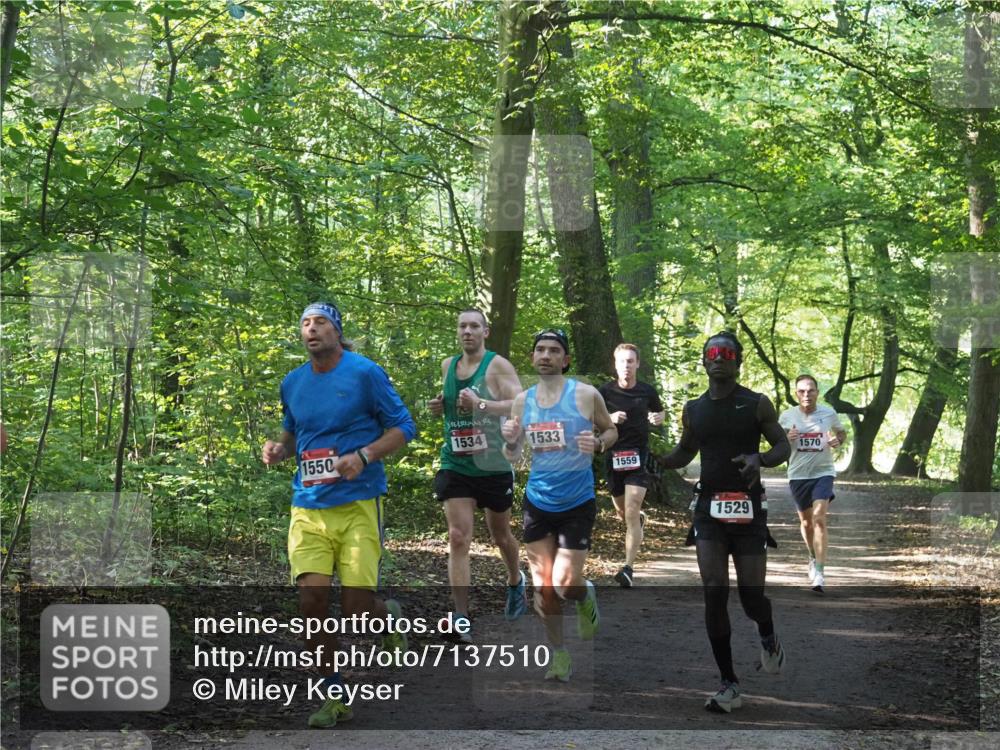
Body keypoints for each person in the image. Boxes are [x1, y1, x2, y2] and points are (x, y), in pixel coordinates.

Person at [262, 302, 416, 729]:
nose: (311, 329)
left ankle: (388, 616)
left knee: (357, 609)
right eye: (305, 323)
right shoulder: (292, 383)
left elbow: (404, 426)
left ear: (337, 329)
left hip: (358, 504)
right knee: (311, 601)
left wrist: (364, 456)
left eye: (320, 322)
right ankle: (334, 694)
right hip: (308, 507)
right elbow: (294, 432)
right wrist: (280, 449)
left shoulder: (365, 372)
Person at [659, 332, 791, 713]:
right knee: (714, 589)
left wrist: (760, 460)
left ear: (738, 361)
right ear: (704, 361)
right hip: (708, 509)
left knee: (752, 598)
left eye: (726, 352)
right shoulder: (694, 409)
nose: (719, 358)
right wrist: (662, 462)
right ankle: (729, 682)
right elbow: (685, 450)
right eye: (712, 353)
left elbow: (782, 445)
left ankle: (767, 634)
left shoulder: (756, 404)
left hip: (749, 509)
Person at [501, 328, 617, 682]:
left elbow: (611, 430)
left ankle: (585, 595)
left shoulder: (585, 395)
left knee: (566, 583)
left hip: (577, 500)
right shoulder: (523, 401)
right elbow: (514, 453)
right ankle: (559, 655)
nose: (546, 355)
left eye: (554, 350)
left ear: (565, 360)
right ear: (533, 358)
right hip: (538, 501)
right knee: (544, 588)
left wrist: (597, 443)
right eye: (540, 350)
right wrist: (508, 442)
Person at [427, 309, 527, 643]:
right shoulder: (447, 367)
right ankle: (460, 617)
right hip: (456, 463)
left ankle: (515, 580)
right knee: (458, 536)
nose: (467, 331)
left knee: (500, 534)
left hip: (493, 464)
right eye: (462, 326)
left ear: (485, 331)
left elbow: (521, 404)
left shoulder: (497, 366)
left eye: (474, 326)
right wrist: (441, 405)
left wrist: (482, 404)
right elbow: (452, 404)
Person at [598, 343, 665, 588]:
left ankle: (628, 568)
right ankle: (638, 519)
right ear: (615, 364)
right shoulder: (604, 392)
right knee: (624, 513)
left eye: (630, 361)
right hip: (613, 456)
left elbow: (660, 414)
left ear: (637, 364)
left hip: (638, 457)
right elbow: (590, 421)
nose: (626, 366)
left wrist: (658, 418)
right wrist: (609, 419)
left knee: (632, 509)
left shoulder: (647, 391)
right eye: (622, 361)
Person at [778, 374, 847, 593]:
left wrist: (838, 440)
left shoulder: (828, 413)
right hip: (798, 474)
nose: (806, 395)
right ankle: (811, 555)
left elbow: (841, 432)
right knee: (806, 523)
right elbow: (775, 440)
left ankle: (819, 570)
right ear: (796, 394)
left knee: (819, 519)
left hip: (823, 472)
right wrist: (786, 437)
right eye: (802, 391)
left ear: (817, 392)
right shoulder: (787, 416)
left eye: (811, 391)